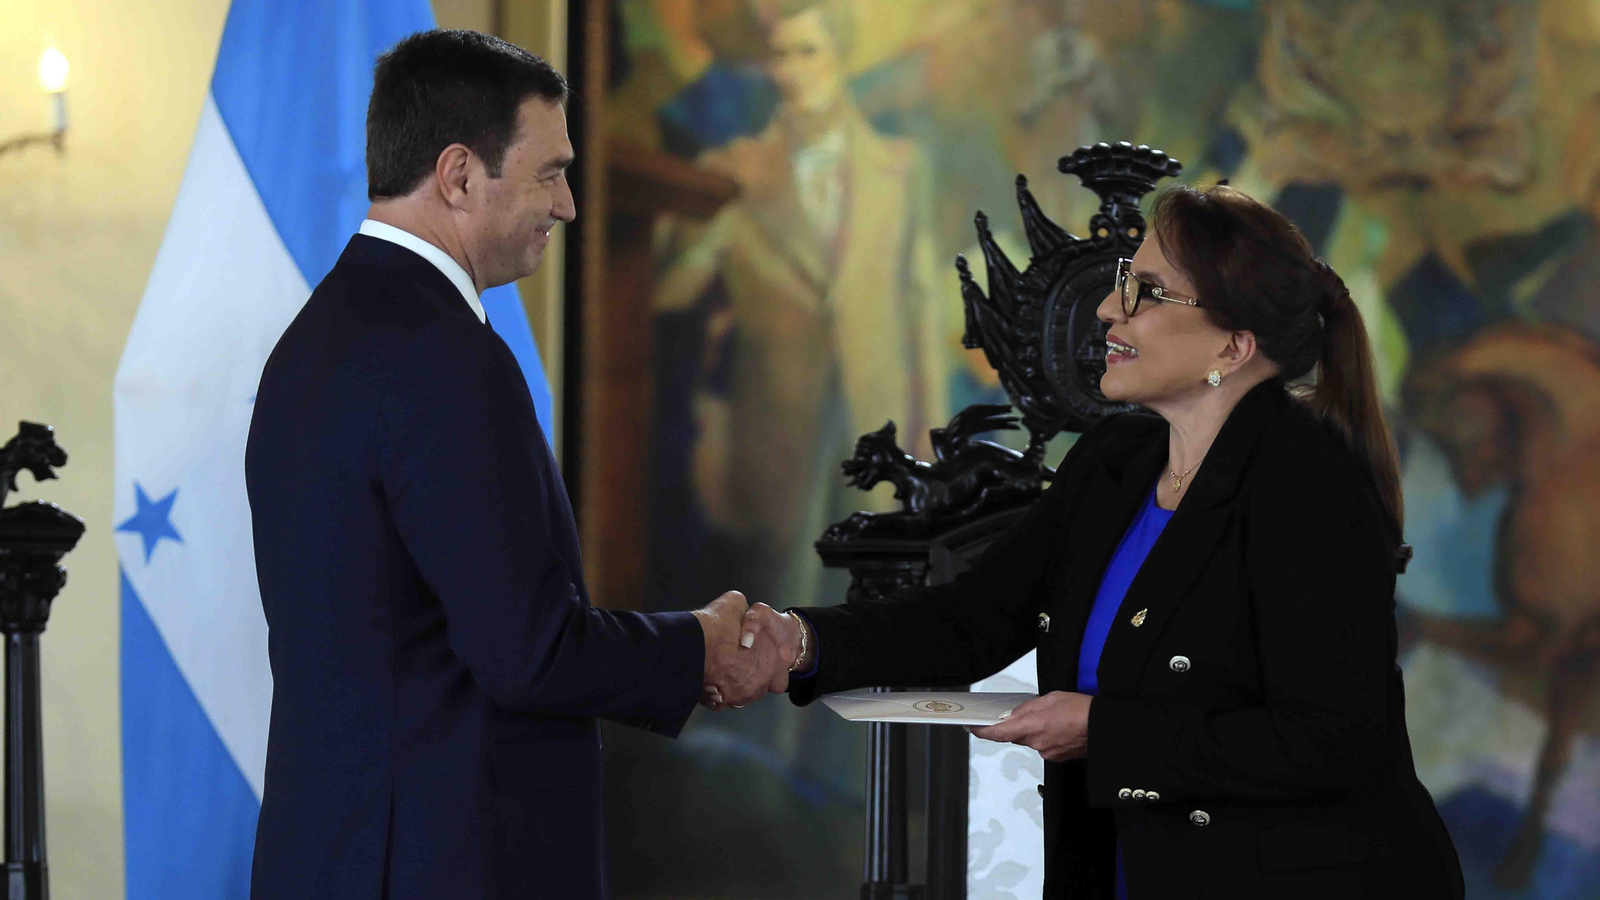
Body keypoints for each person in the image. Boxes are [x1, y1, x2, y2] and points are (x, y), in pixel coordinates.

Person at [738, 185, 1466, 897]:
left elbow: (1332, 740)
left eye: (1147, 292)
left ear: (1234, 345)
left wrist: (1107, 732)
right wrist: (798, 642)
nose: (1109, 308)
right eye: (1125, 281)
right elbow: (972, 618)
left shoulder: (1308, 485)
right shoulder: (1115, 461)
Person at [245, 30, 782, 900]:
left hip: (339, 858)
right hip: (440, 867)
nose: (567, 205)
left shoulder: (317, 337)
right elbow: (529, 652)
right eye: (549, 173)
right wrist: (698, 646)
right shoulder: (443, 355)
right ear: (459, 175)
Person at [652, 0, 950, 609]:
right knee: (780, 611)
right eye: (780, 56)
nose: (792, 71)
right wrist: (718, 211)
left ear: (841, 59)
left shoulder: (900, 168)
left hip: (877, 417)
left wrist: (934, 438)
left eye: (808, 52)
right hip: (776, 425)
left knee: (876, 604)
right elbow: (670, 292)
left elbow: (920, 308)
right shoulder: (733, 172)